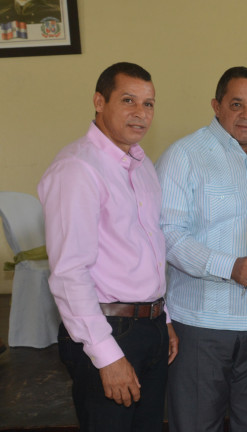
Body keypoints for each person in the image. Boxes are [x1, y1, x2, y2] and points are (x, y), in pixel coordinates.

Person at [38, 62, 177, 431]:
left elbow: (148, 250)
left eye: (149, 104)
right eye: (128, 100)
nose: (140, 113)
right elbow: (69, 273)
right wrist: (107, 356)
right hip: (107, 331)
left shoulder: (141, 165)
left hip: (149, 326)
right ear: (99, 101)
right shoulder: (78, 168)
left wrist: (163, 318)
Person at [155, 66, 247, 432]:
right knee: (197, 424)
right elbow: (167, 234)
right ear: (216, 106)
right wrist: (228, 266)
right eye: (236, 104)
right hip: (202, 323)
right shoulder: (184, 155)